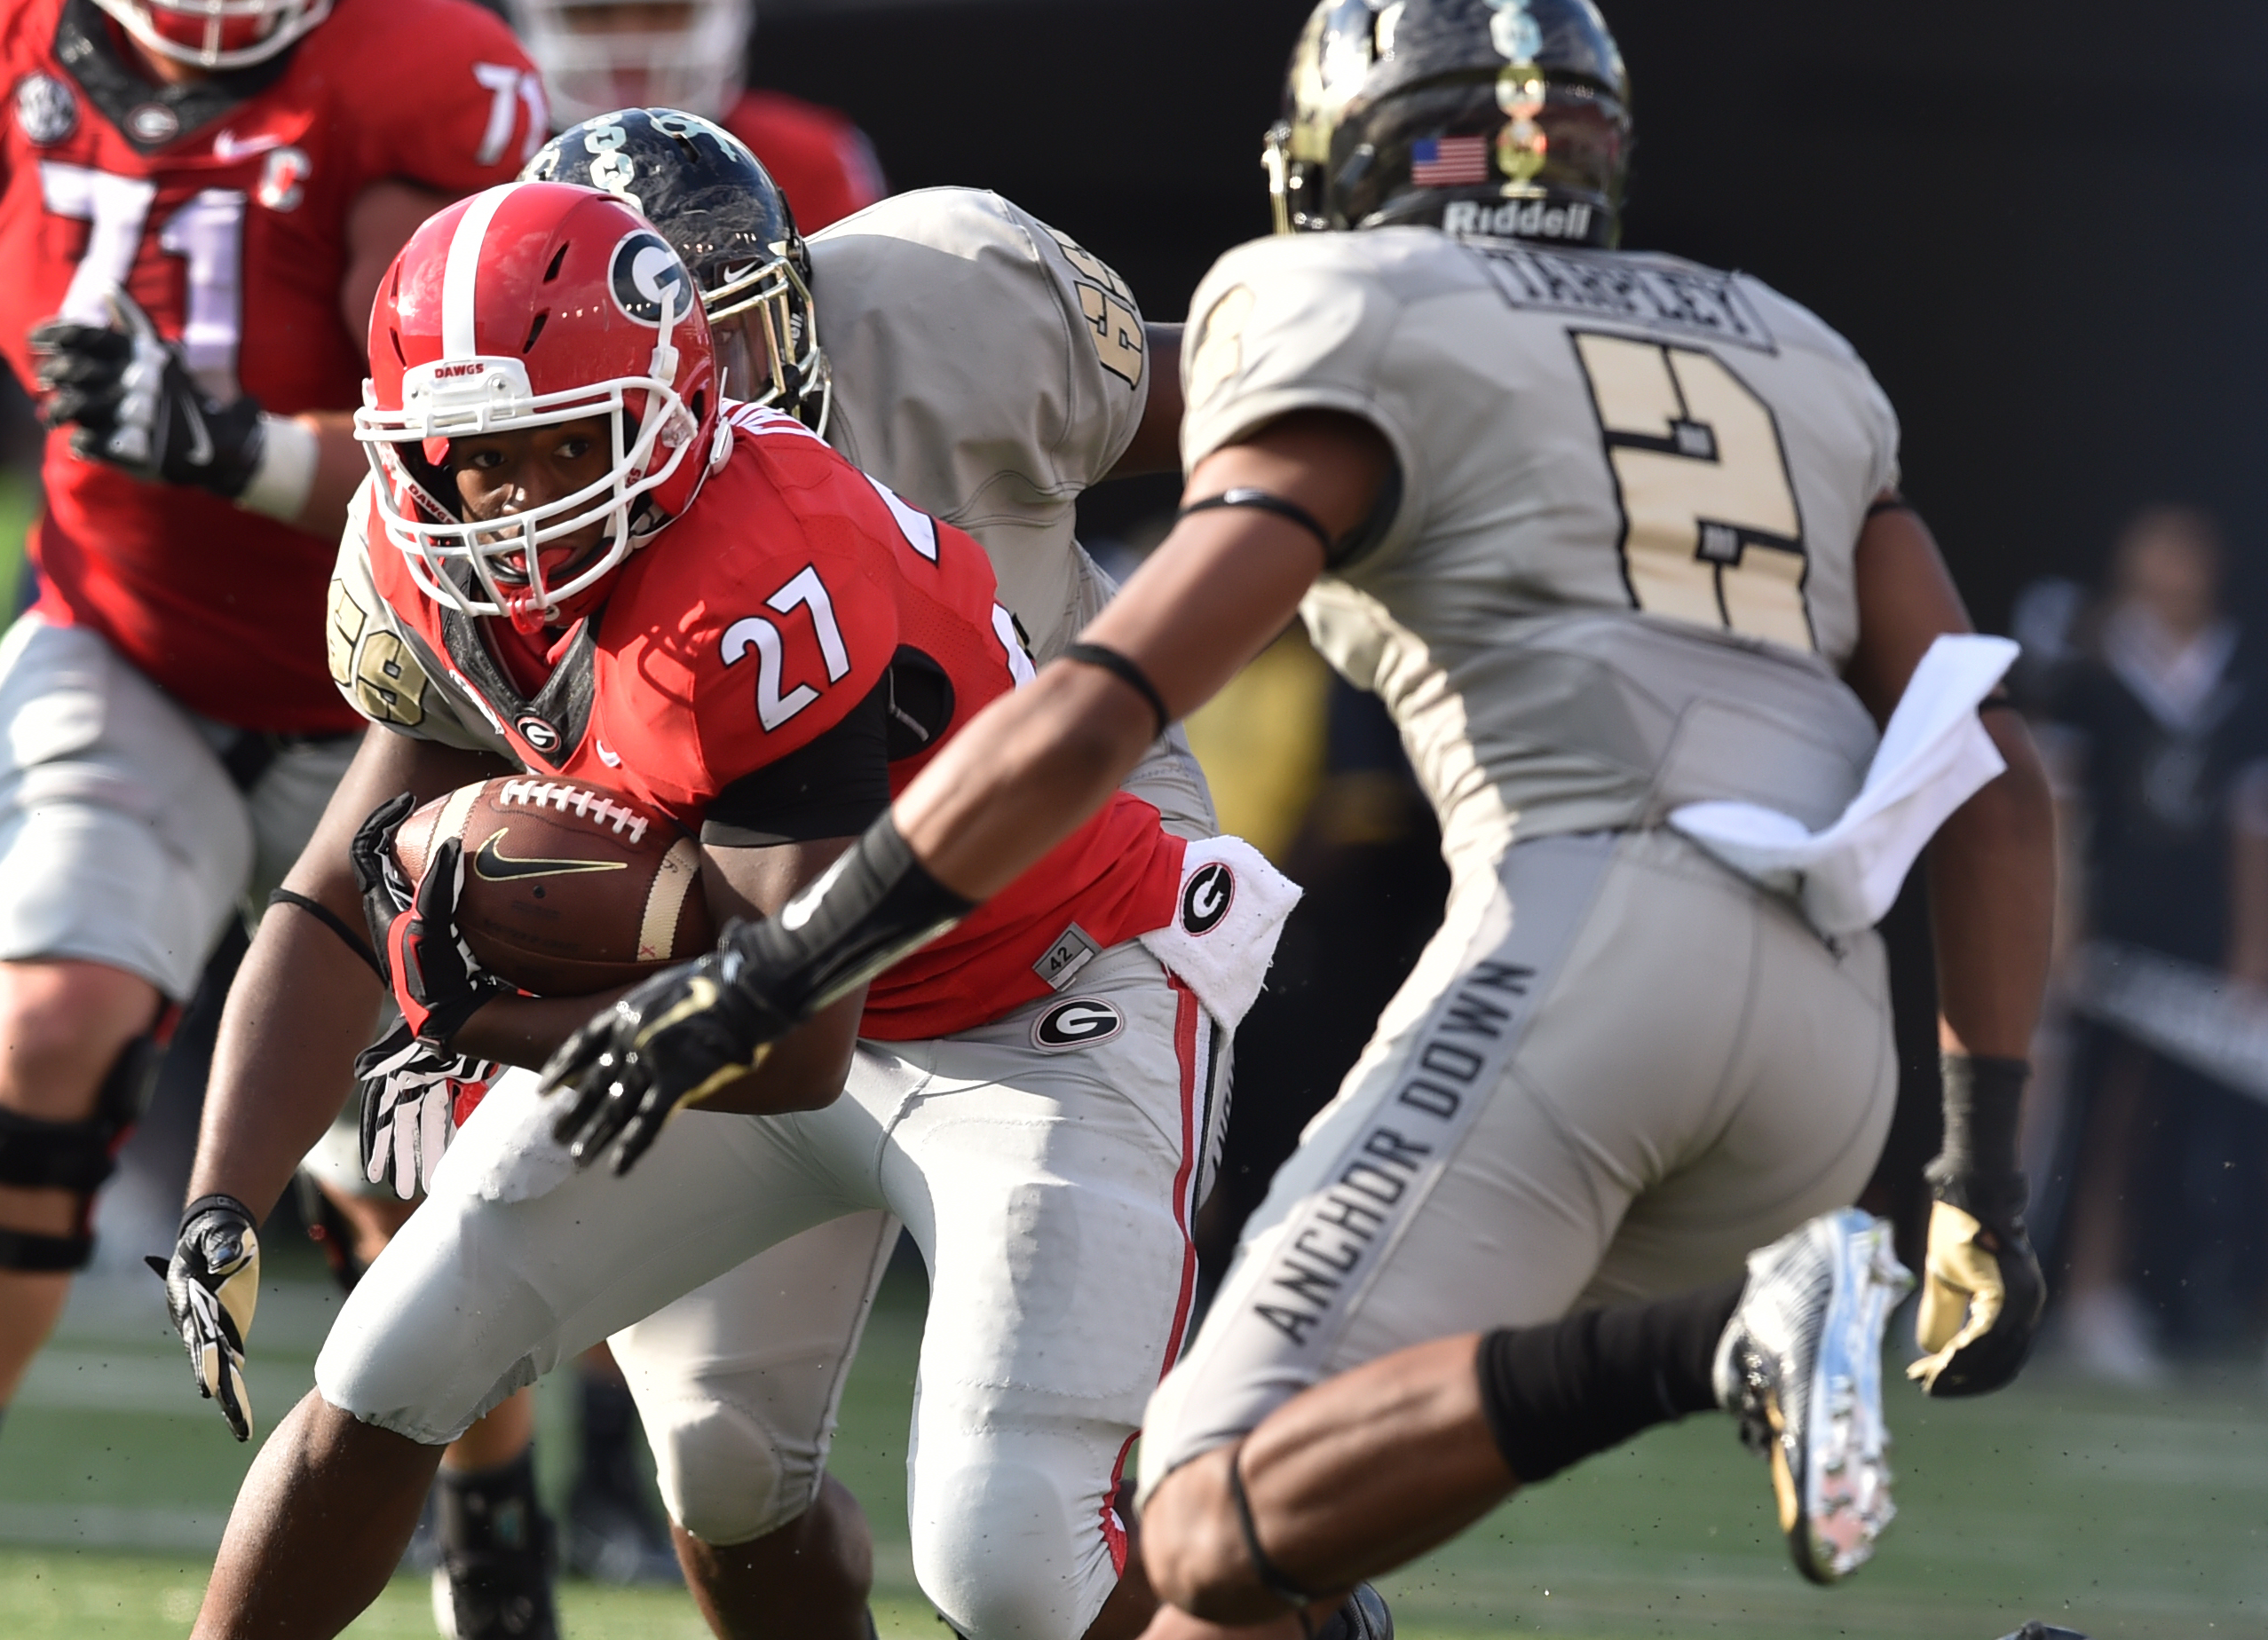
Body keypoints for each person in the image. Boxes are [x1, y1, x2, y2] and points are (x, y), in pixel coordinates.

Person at [533, 0, 2059, 1630]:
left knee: (1198, 1509)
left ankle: (1725, 1335)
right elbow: (2001, 781)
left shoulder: (1346, 301)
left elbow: (1099, 704)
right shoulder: (1788, 341)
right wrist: (1981, 1174)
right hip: (1836, 1046)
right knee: (1287, 1533)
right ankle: (1728, 1342)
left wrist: (793, 959)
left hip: (1589, 947)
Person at [181, 179, 1316, 1640]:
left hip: (1039, 997)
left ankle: (1312, 1611)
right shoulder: (424, 562)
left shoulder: (762, 566)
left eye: (555, 448)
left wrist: (474, 1006)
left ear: (665, 406)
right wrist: (225, 1183)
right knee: (441, 1371)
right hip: (747, 996)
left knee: (1012, 1557)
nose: (512, 502)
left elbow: (794, 1036)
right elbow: (341, 884)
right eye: (469, 458)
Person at [514, 107, 1229, 1636]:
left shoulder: (953, 296)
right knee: (716, 1461)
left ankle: (1274, 1586)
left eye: (737, 341)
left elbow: (1248, 415)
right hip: (766, 928)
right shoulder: (525, 478)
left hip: (1062, 894)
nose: (696, 402)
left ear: (800, 300)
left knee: (1027, 1529)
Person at [0, 0, 542, 1419]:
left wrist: (222, 442)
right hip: (126, 644)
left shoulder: (418, 71)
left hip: (387, 701)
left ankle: (487, 1535)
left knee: (403, 1169)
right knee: (47, 1031)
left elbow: (456, 460)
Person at [2036, 507, 2268, 1377]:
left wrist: (2250, 942)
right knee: (2098, 1116)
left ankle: (2154, 1296)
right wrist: (2063, 919)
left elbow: (2250, 819)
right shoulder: (2090, 669)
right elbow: (2057, 805)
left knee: (2185, 1123)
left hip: (2199, 931)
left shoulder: (2238, 670)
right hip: (2113, 926)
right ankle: (2071, 1292)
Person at [509, 0, 883, 228]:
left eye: (662, 11)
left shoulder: (807, 156)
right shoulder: (494, 162)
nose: (631, 40)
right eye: (597, 13)